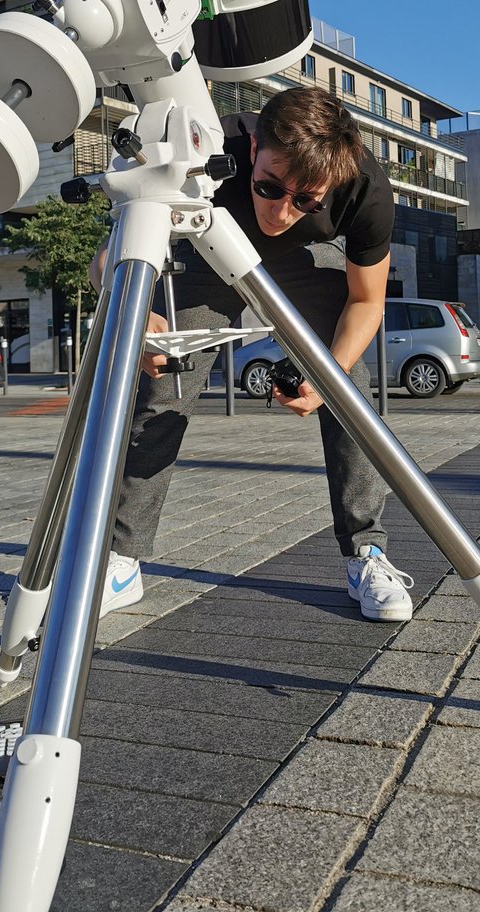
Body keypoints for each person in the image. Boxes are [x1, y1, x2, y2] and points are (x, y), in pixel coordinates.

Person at [92, 87, 414, 622]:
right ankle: (123, 560)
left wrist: (328, 374)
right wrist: (133, 312)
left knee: (347, 387)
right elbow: (106, 260)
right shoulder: (203, 146)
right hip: (206, 248)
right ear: (252, 151)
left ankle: (367, 552)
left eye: (307, 201)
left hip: (302, 263)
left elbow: (366, 300)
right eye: (268, 187)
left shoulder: (365, 189)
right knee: (164, 389)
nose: (281, 210)